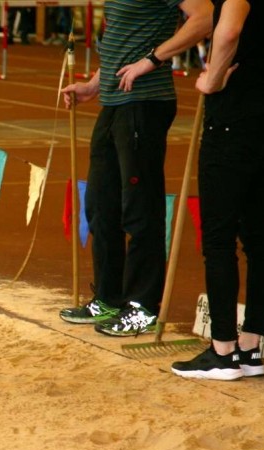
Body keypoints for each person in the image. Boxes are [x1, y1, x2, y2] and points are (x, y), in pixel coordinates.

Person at [58, 0, 213, 336]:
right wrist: (93, 85)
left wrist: (152, 59)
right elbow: (121, 40)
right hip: (114, 104)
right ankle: (109, 297)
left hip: (144, 103)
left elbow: (205, 17)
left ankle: (142, 306)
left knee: (140, 210)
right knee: (101, 206)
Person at [172, 0, 264, 380]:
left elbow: (229, 29)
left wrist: (211, 79)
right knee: (259, 237)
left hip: (234, 117)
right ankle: (249, 348)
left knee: (219, 238)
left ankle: (223, 351)